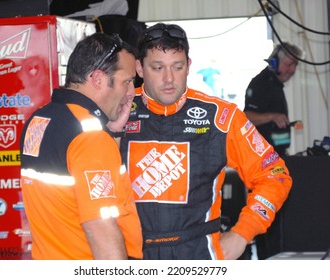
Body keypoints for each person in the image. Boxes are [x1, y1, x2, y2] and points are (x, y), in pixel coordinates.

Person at [119, 23, 292, 260]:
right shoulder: (118, 110)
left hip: (198, 253)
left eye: (177, 67)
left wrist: (243, 233)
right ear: (139, 68)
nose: (169, 78)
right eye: (157, 68)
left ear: (189, 66)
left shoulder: (221, 117)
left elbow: (276, 175)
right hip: (129, 254)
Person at [20, 33, 143, 260]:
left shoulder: (39, 120)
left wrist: (112, 132)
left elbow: (72, 193)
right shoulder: (90, 135)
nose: (131, 93)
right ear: (97, 79)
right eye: (127, 81)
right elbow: (101, 228)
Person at [244, 42, 304, 157]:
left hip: (276, 155)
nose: (292, 70)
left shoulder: (275, 84)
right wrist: (272, 117)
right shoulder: (260, 84)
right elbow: (246, 117)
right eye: (288, 64)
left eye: (295, 65)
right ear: (274, 62)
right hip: (262, 158)